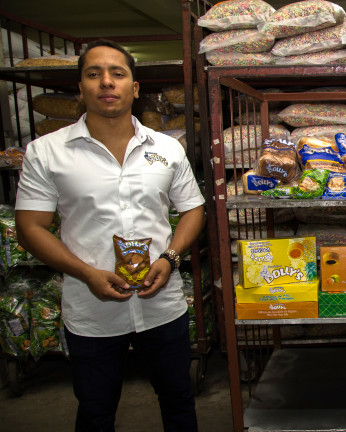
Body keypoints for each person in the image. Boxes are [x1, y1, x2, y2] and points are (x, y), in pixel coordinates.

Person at [14, 39, 205, 431]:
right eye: (94, 73)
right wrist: (86, 273)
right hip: (91, 309)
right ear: (80, 87)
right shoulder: (46, 152)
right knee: (96, 410)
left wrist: (170, 258)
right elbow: (30, 228)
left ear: (134, 88)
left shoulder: (167, 148)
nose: (106, 82)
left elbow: (192, 209)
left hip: (161, 303)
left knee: (178, 401)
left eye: (117, 73)